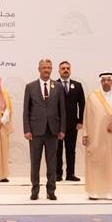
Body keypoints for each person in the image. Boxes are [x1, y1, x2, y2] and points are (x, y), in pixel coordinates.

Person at [23, 58, 66, 201]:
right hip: (35, 132)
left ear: (51, 69)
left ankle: (51, 191)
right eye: (44, 68)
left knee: (52, 163)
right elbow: (26, 110)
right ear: (39, 69)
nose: (46, 70)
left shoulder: (58, 87)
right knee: (35, 163)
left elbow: (62, 110)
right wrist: (27, 129)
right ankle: (35, 190)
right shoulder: (30, 87)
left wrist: (62, 129)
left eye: (48, 68)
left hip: (53, 131)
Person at [84, 72, 112, 200]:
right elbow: (86, 116)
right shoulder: (93, 97)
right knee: (96, 163)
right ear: (100, 82)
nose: (106, 83)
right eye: (103, 80)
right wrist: (85, 134)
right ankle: (94, 192)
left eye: (109, 80)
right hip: (96, 136)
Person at [55, 61, 84, 181]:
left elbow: (82, 104)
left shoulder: (77, 85)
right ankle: (57, 174)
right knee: (57, 150)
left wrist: (80, 121)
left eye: (67, 68)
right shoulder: (53, 85)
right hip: (57, 124)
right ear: (59, 71)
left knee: (71, 150)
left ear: (70, 70)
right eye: (63, 68)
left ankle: (70, 174)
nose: (65, 70)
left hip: (72, 124)